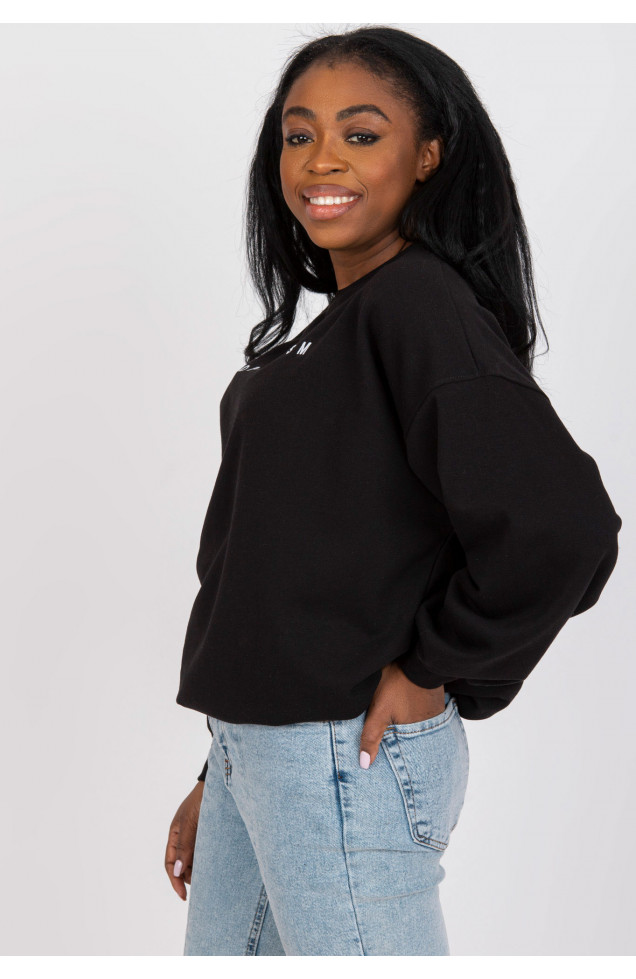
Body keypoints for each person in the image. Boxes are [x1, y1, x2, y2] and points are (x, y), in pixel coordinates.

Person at [164, 26, 622, 955]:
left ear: (428, 156)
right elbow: (279, 571)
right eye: (298, 134)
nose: (320, 159)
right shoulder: (336, 328)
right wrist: (224, 765)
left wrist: (431, 669)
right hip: (266, 751)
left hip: (340, 755)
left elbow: (563, 528)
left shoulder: (419, 305)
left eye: (361, 133)